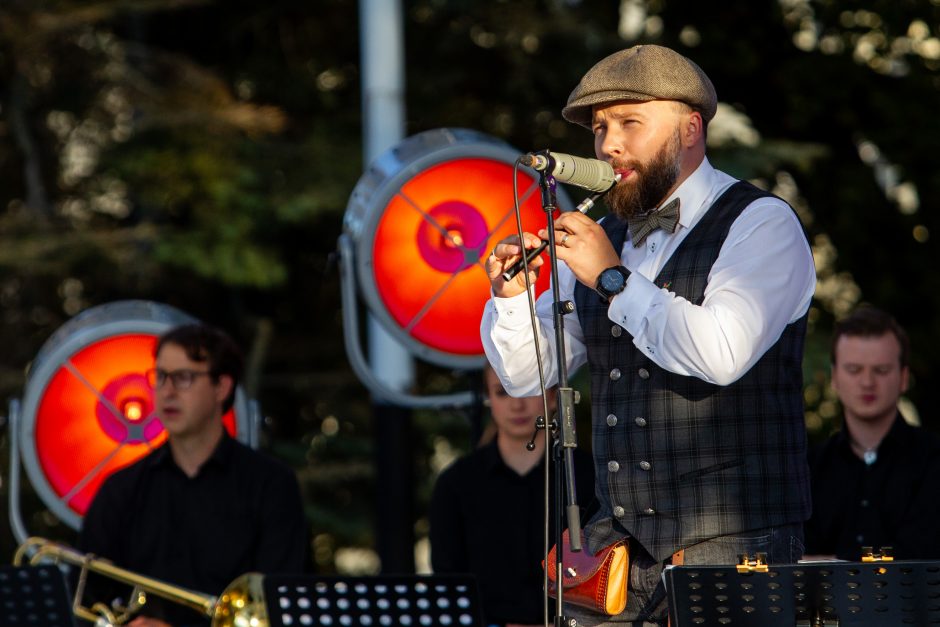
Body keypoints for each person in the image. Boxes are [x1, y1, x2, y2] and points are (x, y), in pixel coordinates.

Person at [482, 44, 815, 625]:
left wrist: (613, 278)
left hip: (733, 548)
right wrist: (511, 302)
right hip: (617, 553)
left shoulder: (761, 222)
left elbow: (722, 352)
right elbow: (524, 374)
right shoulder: (601, 235)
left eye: (630, 123)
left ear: (690, 129)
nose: (609, 144)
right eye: (601, 128)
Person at [79, 323, 307, 627]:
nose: (167, 391)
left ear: (221, 388)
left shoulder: (271, 485)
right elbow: (88, 600)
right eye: (160, 377)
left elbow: (282, 604)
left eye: (184, 378)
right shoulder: (121, 490)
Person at [428, 365, 596, 627]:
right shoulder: (456, 484)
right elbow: (449, 578)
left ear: (553, 397)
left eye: (528, 390)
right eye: (502, 392)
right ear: (489, 400)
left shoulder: (587, 477)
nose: (516, 405)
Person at [804, 306, 940, 561]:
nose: (867, 382)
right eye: (854, 370)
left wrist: (832, 562)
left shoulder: (933, 460)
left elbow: (920, 556)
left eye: (881, 370)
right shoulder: (810, 468)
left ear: (903, 377)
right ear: (834, 377)